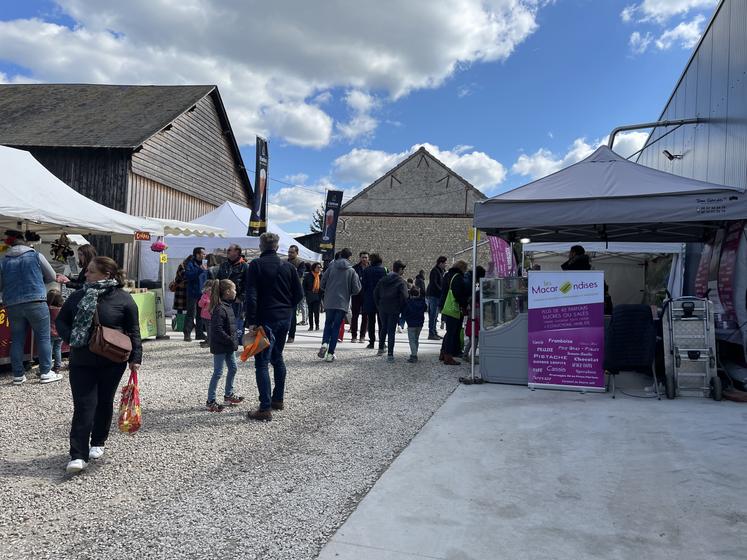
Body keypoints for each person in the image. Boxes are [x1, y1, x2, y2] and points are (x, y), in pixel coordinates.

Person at [55, 256, 142, 474]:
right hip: (81, 360)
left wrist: (136, 358)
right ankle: (77, 454)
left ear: (107, 275)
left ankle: (98, 441)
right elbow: (61, 321)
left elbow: (134, 330)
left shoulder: (123, 299)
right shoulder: (78, 296)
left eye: (91, 271)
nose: (86, 274)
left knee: (104, 401)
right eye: (87, 271)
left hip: (112, 361)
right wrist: (71, 338)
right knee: (84, 405)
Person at [244, 232, 304, 421]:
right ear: (277, 247)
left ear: (261, 247)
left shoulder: (255, 265)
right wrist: (287, 307)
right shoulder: (288, 267)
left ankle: (265, 407)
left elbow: (251, 294)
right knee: (277, 358)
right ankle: (278, 399)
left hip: (265, 318)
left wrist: (251, 320)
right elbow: (299, 294)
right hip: (284, 317)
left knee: (262, 363)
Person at [0, 229, 62, 385]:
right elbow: (52, 277)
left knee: (17, 339)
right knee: (43, 337)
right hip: (36, 300)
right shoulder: (36, 256)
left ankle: (18, 375)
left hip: (13, 303)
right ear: (25, 240)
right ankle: (46, 372)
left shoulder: (3, 260)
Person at [206, 279, 244, 412]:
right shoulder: (220, 308)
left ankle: (228, 394)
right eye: (234, 289)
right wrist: (230, 340)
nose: (236, 292)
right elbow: (217, 330)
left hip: (228, 345)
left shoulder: (228, 306)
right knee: (218, 373)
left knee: (233, 368)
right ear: (227, 292)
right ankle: (210, 400)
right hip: (221, 346)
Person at [317, 248, 361, 362]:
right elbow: (356, 289)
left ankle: (325, 343)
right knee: (336, 327)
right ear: (349, 257)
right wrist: (348, 291)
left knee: (328, 324)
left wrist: (329, 289)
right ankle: (330, 354)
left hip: (329, 300)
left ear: (340, 255)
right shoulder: (351, 271)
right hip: (342, 302)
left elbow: (322, 283)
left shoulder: (331, 267)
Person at [373, 260, 409, 361]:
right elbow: (404, 296)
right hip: (394, 308)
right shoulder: (401, 281)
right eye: (403, 270)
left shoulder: (383, 279)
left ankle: (380, 348)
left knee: (384, 328)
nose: (403, 272)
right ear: (400, 269)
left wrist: (378, 305)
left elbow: (375, 292)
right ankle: (390, 354)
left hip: (383, 307)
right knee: (391, 331)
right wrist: (401, 308)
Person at [216, 244, 248, 344]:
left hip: (237, 299)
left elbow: (248, 284)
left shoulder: (244, 266)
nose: (227, 251)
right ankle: (227, 339)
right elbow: (218, 280)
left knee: (237, 319)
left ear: (237, 252)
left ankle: (237, 340)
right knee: (224, 319)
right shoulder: (224, 265)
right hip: (223, 298)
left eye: (230, 250)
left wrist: (241, 297)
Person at [439, 260, 469, 365]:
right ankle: (448, 356)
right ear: (462, 268)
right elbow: (458, 293)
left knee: (449, 332)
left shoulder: (447, 275)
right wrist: (464, 304)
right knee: (452, 332)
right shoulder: (458, 277)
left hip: (446, 307)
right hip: (454, 308)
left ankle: (443, 353)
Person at [361, 253, 386, 349]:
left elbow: (363, 285)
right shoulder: (384, 270)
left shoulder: (367, 270)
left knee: (371, 322)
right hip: (381, 299)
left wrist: (365, 297)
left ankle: (371, 342)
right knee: (381, 322)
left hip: (370, 298)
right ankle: (382, 342)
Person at [183, 247, 207, 342]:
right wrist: (200, 270)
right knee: (191, 313)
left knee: (201, 314)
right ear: (197, 254)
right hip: (192, 293)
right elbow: (188, 276)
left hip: (202, 293)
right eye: (203, 253)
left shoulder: (204, 264)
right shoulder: (190, 264)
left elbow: (206, 277)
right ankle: (187, 334)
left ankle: (199, 333)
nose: (205, 255)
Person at [463, 266, 485, 361]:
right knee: (474, 342)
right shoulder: (476, 306)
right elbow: (478, 316)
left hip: (471, 325)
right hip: (475, 326)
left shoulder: (472, 303)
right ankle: (470, 357)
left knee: (471, 341)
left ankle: (465, 354)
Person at [285, 245, 306, 344]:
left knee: (292, 315)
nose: (290, 254)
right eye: (289, 252)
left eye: (292, 252)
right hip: (284, 291)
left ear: (297, 253)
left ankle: (291, 335)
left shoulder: (300, 263)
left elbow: (299, 275)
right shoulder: (284, 262)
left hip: (294, 292)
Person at [402, 286, 427, 363]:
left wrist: (406, 320)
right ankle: (415, 352)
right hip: (420, 324)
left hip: (411, 324)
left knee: (412, 340)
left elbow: (405, 312)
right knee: (416, 339)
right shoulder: (422, 302)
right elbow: (425, 309)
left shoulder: (408, 302)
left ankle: (414, 355)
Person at [426, 256, 448, 340]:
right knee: (433, 315)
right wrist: (441, 290)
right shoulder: (435, 271)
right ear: (440, 263)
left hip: (437, 296)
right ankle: (431, 333)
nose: (446, 265)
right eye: (445, 263)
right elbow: (434, 283)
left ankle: (434, 332)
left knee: (435, 315)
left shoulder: (441, 271)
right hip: (433, 295)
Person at [350, 251, 369, 342]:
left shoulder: (371, 268)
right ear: (360, 258)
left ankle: (362, 336)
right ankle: (354, 336)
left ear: (368, 258)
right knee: (355, 316)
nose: (364, 259)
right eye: (362, 257)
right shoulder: (355, 268)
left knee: (365, 317)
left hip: (367, 295)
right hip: (356, 295)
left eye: (366, 257)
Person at [47, 289, 64, 373]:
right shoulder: (62, 308)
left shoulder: (48, 309)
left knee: (49, 351)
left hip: (50, 332)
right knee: (58, 349)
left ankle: (48, 368)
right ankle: (57, 367)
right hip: (60, 333)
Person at [303, 262, 323, 330]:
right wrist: (306, 293)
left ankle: (317, 325)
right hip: (310, 295)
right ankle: (311, 326)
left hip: (318, 295)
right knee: (310, 311)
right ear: (314, 268)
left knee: (316, 311)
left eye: (320, 267)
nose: (319, 268)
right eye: (318, 267)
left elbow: (324, 285)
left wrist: (322, 294)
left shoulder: (321, 275)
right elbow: (304, 285)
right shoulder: (309, 275)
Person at [197, 279, 216, 348]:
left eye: (211, 289)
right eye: (208, 289)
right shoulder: (204, 295)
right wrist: (204, 300)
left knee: (210, 329)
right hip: (204, 315)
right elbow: (200, 304)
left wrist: (207, 301)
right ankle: (208, 339)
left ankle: (210, 342)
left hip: (210, 316)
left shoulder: (214, 296)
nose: (209, 291)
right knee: (208, 329)